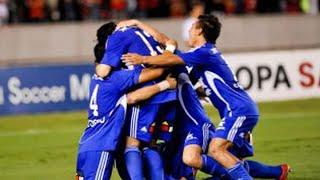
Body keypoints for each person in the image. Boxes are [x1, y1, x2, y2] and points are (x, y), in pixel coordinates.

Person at [121, 15, 291, 179]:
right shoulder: (200, 57)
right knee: (217, 157)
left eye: (192, 28)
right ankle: (276, 172)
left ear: (199, 31)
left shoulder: (203, 53)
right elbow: (181, 66)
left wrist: (142, 58)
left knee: (215, 151)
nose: (189, 31)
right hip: (232, 111)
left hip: (236, 110)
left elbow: (169, 58)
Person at [76, 22, 178, 180]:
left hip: (86, 144)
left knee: (131, 147)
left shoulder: (95, 81)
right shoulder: (117, 79)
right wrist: (168, 60)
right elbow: (157, 71)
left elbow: (103, 71)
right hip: (102, 145)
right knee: (141, 145)